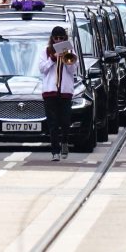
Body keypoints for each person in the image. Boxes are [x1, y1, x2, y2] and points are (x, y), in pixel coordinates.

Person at [39, 25, 76, 162]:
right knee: (53, 124)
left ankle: (65, 142)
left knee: (65, 121)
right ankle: (55, 150)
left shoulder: (70, 49)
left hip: (65, 91)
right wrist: (53, 58)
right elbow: (42, 69)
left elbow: (73, 70)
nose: (58, 40)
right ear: (52, 38)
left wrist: (66, 57)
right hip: (50, 91)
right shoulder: (46, 51)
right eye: (56, 38)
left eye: (61, 38)